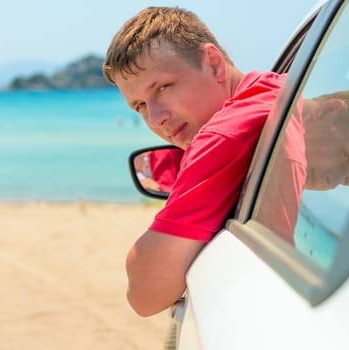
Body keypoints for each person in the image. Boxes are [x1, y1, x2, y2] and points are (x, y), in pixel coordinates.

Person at [103, 6, 286, 316]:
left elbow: (147, 293)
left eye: (163, 87)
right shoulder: (273, 87)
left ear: (214, 64)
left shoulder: (223, 136)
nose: (157, 117)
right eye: (140, 106)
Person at [255, 89, 349, 244]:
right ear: (327, 111)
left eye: (346, 180)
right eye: (344, 157)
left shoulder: (268, 91)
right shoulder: (289, 162)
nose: (332, 181)